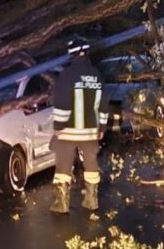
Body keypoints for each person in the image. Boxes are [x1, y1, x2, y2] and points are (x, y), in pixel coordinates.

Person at [49, 38, 109, 214]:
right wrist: (102, 128)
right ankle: (91, 200)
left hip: (69, 130)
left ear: (71, 54)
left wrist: (59, 126)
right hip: (90, 131)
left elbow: (61, 102)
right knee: (91, 163)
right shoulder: (97, 75)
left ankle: (62, 203)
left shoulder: (67, 75)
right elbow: (103, 104)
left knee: (63, 165)